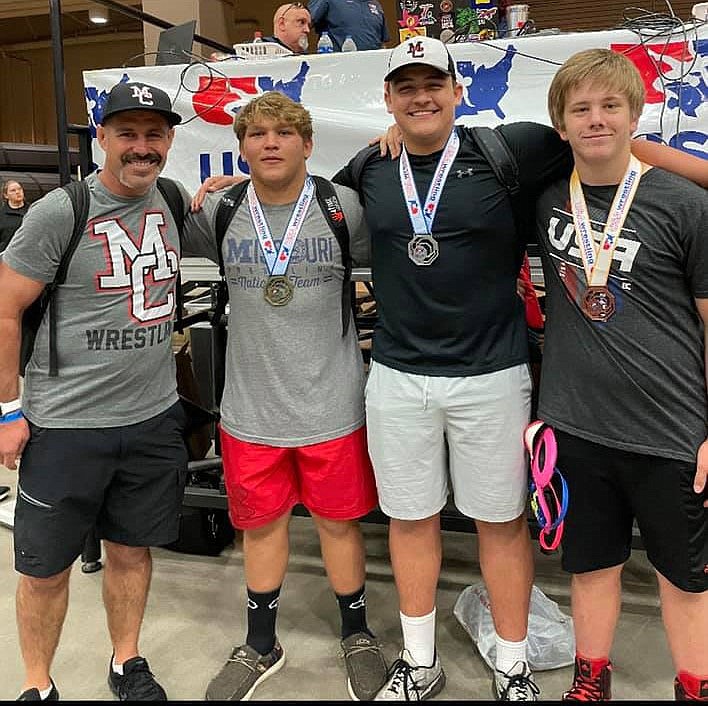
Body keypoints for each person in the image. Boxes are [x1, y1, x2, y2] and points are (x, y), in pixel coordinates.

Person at [331, 36, 696, 701]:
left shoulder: (510, 149)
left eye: (432, 84)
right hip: (399, 376)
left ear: (456, 90)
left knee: (502, 525)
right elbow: (305, 199)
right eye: (405, 88)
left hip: (494, 374)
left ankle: (512, 666)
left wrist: (703, 173)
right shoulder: (368, 166)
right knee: (410, 522)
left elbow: (611, 143)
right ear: (388, 99)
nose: (420, 97)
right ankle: (419, 663)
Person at [185, 91, 388, 701]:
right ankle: (261, 642)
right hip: (251, 411)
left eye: (283, 133)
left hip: (332, 405)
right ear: (241, 146)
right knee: (262, 526)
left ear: (307, 144)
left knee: (338, 526)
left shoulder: (341, 207)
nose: (269, 143)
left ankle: (357, 634)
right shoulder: (218, 212)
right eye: (256, 134)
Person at [0, 81, 188, 701]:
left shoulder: (173, 199)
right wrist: (7, 410)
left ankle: (125, 662)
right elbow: (5, 309)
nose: (142, 147)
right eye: (127, 133)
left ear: (169, 141)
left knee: (132, 552)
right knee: (44, 569)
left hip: (153, 418)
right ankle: (36, 685)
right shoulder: (61, 210)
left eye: (154, 134)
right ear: (101, 137)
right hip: (66, 427)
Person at [534, 48, 708, 702]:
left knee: (685, 581)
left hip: (671, 435)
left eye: (611, 106)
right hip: (578, 427)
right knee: (590, 568)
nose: (597, 119)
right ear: (561, 124)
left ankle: (694, 686)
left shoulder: (682, 205)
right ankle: (591, 681)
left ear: (636, 115)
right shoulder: (549, 197)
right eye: (581, 109)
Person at [309, 0, 389, 51]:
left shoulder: (376, 4)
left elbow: (382, 43)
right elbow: (302, 23)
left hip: (372, 66)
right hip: (339, 66)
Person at [0, 180, 28, 253]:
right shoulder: (1, 214)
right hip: (6, 258)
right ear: (6, 195)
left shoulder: (32, 211)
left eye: (19, 189)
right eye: (13, 190)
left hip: (28, 256)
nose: (18, 192)